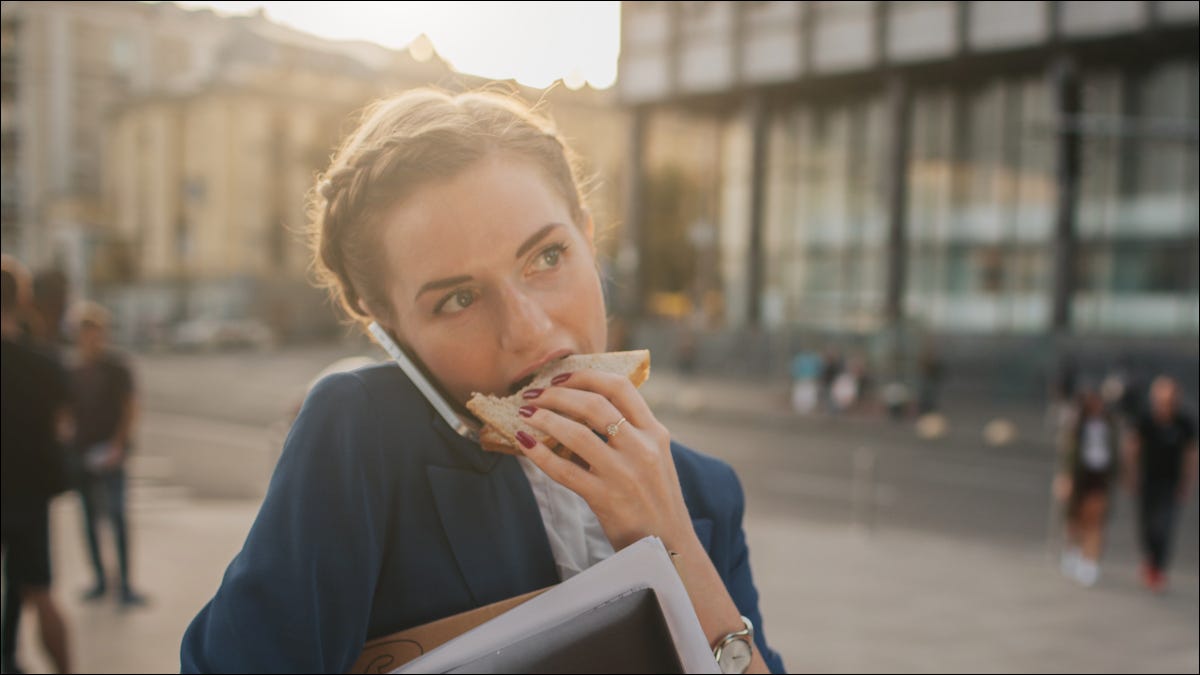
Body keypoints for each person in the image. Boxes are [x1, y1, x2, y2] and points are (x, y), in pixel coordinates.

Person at [180, 88, 785, 673]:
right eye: (458, 299)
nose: (527, 329)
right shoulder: (363, 440)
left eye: (547, 257)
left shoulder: (705, 493)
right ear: (389, 328)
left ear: (587, 234)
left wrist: (670, 539)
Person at [1, 257, 72, 674]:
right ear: (22, 300)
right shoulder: (45, 365)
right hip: (29, 497)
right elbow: (63, 429)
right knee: (41, 595)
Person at [69, 302, 147, 607]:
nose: (92, 338)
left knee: (117, 516)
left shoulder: (117, 368)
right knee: (89, 519)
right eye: (86, 332)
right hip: (82, 453)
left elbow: (130, 409)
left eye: (97, 332)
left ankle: (124, 583)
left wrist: (118, 445)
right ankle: (100, 580)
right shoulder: (73, 370)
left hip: (112, 453)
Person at [1124, 376, 1198, 592]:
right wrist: (1132, 475)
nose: (1165, 404)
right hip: (1148, 481)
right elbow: (1132, 448)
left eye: (1170, 399)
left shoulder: (1184, 423)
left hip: (1171, 483)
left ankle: (1158, 567)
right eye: (1161, 399)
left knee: (1164, 526)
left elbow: (1191, 455)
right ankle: (1150, 560)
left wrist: (1187, 483)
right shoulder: (1144, 419)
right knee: (1146, 526)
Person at [1053, 389, 1120, 587]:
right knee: (1075, 519)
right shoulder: (1076, 425)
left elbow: (1116, 453)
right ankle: (1073, 550)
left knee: (1095, 519)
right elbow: (1067, 455)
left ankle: (1090, 561)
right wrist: (1065, 478)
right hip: (1080, 477)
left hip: (1099, 477)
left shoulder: (1110, 425)